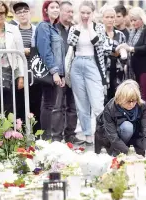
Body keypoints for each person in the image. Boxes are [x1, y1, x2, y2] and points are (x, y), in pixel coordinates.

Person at [67, 0, 106, 145]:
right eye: (82, 12)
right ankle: (87, 134)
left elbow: (97, 42)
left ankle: (103, 133)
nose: (85, 15)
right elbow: (71, 42)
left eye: (88, 13)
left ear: (93, 13)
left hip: (92, 64)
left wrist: (90, 26)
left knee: (97, 103)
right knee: (82, 104)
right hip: (77, 64)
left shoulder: (98, 27)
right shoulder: (74, 28)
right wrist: (79, 27)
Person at [116, 7, 146, 127]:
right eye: (131, 20)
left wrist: (131, 48)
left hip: (145, 68)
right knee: (135, 96)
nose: (133, 23)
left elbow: (145, 48)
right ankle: (139, 121)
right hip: (134, 68)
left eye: (135, 20)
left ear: (141, 18)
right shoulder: (132, 32)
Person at [94, 80, 146, 156]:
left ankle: (127, 148)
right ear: (121, 99)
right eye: (128, 101)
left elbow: (145, 129)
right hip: (109, 137)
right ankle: (118, 152)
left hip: (133, 134)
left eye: (134, 100)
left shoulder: (141, 105)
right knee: (127, 127)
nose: (132, 104)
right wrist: (128, 152)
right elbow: (113, 136)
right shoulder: (110, 108)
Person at [52, 1, 83, 144]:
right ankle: (57, 136)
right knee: (58, 106)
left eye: (72, 12)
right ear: (60, 12)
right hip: (59, 73)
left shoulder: (76, 29)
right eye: (67, 11)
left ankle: (70, 134)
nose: (70, 14)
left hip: (74, 73)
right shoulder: (54, 29)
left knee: (73, 106)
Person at [35, 0, 66, 140]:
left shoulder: (55, 28)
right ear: (45, 10)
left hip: (56, 72)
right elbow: (45, 51)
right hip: (48, 72)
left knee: (51, 104)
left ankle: (47, 136)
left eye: (57, 7)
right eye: (51, 7)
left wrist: (62, 74)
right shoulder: (43, 26)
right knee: (47, 104)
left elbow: (60, 54)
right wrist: (54, 72)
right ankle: (45, 137)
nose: (55, 9)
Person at [12, 1, 39, 127]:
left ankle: (35, 136)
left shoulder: (36, 30)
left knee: (35, 105)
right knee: (19, 104)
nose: (22, 14)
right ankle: (21, 133)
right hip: (18, 73)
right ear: (15, 15)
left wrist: (31, 51)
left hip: (34, 73)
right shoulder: (12, 31)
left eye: (25, 11)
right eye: (19, 12)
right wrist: (22, 51)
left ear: (30, 12)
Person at [102, 6, 127, 102]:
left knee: (117, 99)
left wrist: (119, 54)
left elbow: (124, 55)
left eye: (112, 17)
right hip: (103, 71)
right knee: (104, 100)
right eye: (107, 17)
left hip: (118, 72)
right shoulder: (99, 33)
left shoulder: (120, 35)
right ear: (103, 18)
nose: (110, 20)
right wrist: (115, 50)